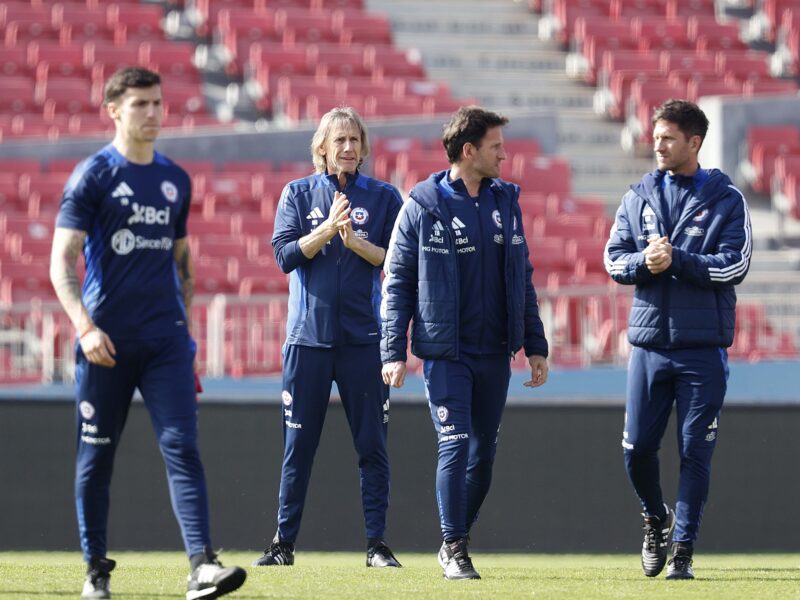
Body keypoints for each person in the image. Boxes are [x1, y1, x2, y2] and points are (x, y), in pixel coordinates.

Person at [49, 67, 246, 600]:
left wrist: (186, 334)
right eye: (141, 104)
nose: (154, 113)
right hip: (105, 345)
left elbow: (183, 261)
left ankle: (202, 567)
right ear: (114, 110)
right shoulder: (92, 176)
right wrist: (85, 329)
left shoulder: (175, 179)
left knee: (183, 446)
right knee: (96, 458)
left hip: (165, 346)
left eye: (158, 103)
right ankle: (96, 572)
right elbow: (61, 262)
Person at [380, 106, 549, 580]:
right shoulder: (423, 204)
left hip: (496, 352)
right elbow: (397, 282)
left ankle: (454, 536)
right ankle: (455, 548)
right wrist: (393, 351)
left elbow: (523, 278)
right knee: (453, 445)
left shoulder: (506, 202)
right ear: (469, 151)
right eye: (496, 147)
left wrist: (535, 344)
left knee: (484, 456)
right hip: (445, 354)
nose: (504, 154)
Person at [604, 99, 752, 580]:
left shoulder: (726, 199)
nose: (658, 144)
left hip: (703, 349)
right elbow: (613, 259)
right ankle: (655, 517)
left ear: (694, 142)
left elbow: (736, 264)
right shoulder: (639, 194)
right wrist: (643, 264)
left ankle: (683, 552)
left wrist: (680, 261)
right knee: (635, 450)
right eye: (656, 135)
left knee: (695, 453)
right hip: (647, 347)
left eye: (668, 137)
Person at [252, 107, 403, 569]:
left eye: (355, 140)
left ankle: (376, 545)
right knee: (298, 447)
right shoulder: (297, 194)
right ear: (322, 148)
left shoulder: (383, 197)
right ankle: (283, 545)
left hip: (363, 342)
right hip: (308, 342)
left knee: (372, 447)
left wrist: (357, 242)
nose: (348, 148)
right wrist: (324, 232)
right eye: (339, 141)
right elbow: (283, 255)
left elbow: (399, 262)